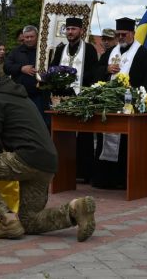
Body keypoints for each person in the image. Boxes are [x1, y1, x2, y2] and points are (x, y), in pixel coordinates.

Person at [0, 79, 96, 242]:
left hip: (25, 158)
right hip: (48, 162)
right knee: (29, 221)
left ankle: (6, 220)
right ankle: (75, 209)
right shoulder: (22, 98)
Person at [93, 18, 147, 190]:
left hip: (129, 107)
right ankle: (105, 179)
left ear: (132, 34)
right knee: (106, 139)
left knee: (126, 145)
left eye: (124, 34)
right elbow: (95, 72)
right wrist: (106, 70)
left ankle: (123, 179)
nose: (121, 37)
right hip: (109, 105)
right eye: (118, 34)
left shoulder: (142, 54)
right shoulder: (110, 53)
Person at [50, 17, 102, 183]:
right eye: (68, 29)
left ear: (81, 31)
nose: (70, 32)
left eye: (74, 29)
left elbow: (94, 73)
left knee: (84, 136)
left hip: (82, 98)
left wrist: (77, 79)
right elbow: (53, 69)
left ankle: (85, 172)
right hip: (63, 99)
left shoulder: (89, 50)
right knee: (64, 135)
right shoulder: (60, 50)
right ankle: (64, 170)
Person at [4, 25, 43, 118]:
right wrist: (21, 68)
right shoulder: (15, 52)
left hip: (39, 95)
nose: (29, 39)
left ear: (37, 36)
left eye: (31, 37)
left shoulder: (43, 51)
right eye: (26, 37)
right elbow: (6, 68)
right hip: (20, 94)